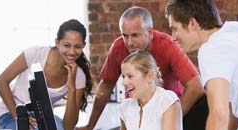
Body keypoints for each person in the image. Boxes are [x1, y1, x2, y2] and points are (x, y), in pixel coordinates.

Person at [77, 6, 205, 130]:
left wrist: (170, 117)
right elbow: (106, 85)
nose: (129, 42)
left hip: (168, 110)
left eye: (135, 35)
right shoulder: (119, 46)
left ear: (149, 33)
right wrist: (90, 125)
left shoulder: (167, 45)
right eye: (125, 35)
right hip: (135, 111)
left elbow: (196, 87)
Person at [165, 0, 238, 130]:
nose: (173, 37)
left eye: (174, 29)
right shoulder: (236, 29)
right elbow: (230, 108)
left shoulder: (212, 49)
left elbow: (219, 113)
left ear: (192, 23)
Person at [0, 19, 92, 130]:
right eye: (66, 45)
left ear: (83, 46)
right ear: (57, 42)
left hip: (43, 117)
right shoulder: (35, 53)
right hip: (10, 113)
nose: (72, 52)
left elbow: (69, 127)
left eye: (77, 46)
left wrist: (71, 88)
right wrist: (18, 116)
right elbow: (1, 81)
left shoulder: (78, 75)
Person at [120, 50, 182, 130]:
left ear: (150, 76)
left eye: (130, 76)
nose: (124, 82)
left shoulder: (167, 100)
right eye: (123, 77)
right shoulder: (125, 106)